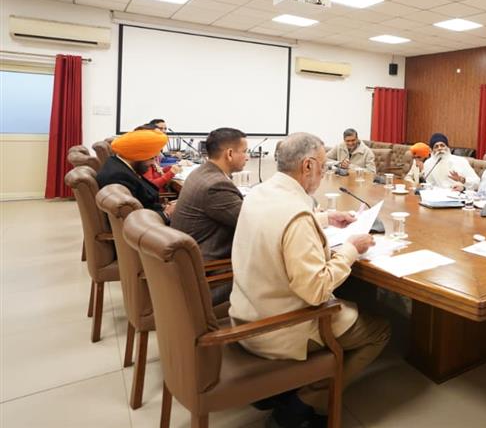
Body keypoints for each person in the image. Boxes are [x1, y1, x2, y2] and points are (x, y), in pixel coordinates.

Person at [230, 132, 391, 428]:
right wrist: (351, 249)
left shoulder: (260, 193)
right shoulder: (297, 215)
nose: (324, 171)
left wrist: (326, 218)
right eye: (323, 165)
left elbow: (277, 224)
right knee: (380, 331)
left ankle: (286, 388)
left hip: (246, 312)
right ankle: (306, 401)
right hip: (279, 327)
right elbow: (316, 291)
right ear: (307, 166)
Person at [170, 127, 248, 304]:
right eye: (244, 151)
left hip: (187, 264)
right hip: (206, 274)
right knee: (272, 266)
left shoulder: (201, 172)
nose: (247, 157)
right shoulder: (216, 186)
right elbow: (251, 223)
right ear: (229, 154)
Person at [96, 129, 174, 222]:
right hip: (148, 225)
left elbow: (143, 201)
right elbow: (132, 218)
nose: (153, 163)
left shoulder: (119, 163)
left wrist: (164, 206)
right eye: (152, 158)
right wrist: (166, 214)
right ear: (138, 156)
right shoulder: (118, 177)